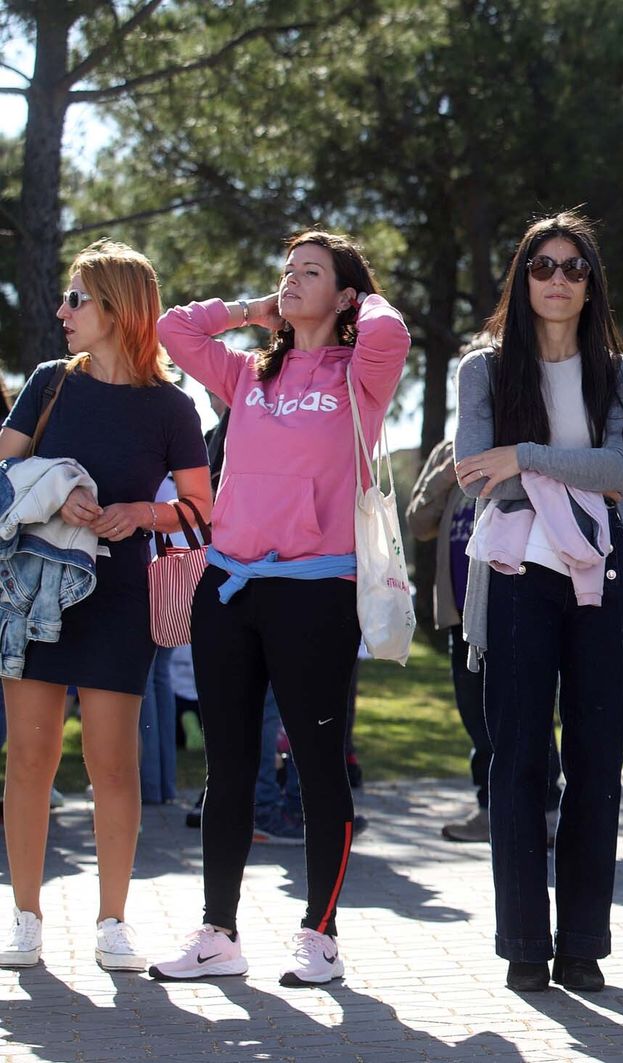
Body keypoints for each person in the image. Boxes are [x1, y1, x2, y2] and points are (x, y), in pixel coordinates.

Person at [148, 229, 407, 986]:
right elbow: (175, 329)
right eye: (286, 268)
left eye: (311, 273)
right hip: (229, 587)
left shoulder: (364, 371)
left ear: (347, 294)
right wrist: (254, 307)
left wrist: (360, 297)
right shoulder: (248, 375)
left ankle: (319, 934)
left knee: (320, 763)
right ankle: (218, 933)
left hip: (318, 591)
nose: (292, 280)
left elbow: (390, 326)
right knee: (228, 768)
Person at [0, 241, 211, 972]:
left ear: (120, 309)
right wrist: (61, 486)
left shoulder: (173, 407)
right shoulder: (49, 382)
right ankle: (24, 918)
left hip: (120, 596)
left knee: (112, 766)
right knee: (28, 757)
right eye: (65, 298)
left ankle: (112, 921)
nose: (62, 311)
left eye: (77, 298)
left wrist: (135, 515)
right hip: (35, 592)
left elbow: (198, 509)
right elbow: (5, 465)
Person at [452, 211, 623, 994]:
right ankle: (525, 941)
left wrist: (525, 457)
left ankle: (585, 944)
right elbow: (473, 471)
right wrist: (570, 467)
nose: (557, 279)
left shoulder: (617, 373)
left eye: (573, 267)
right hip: (517, 575)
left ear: (590, 282)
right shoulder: (482, 369)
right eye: (542, 265)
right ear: (522, 277)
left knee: (597, 763)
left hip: (602, 575)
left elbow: (620, 469)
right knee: (520, 757)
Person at [406, 437, 488, 842]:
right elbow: (419, 523)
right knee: (474, 714)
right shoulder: (446, 451)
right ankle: (489, 808)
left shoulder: (518, 428)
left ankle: (543, 809)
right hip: (460, 611)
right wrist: (446, 472)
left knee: (523, 712)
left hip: (506, 605)